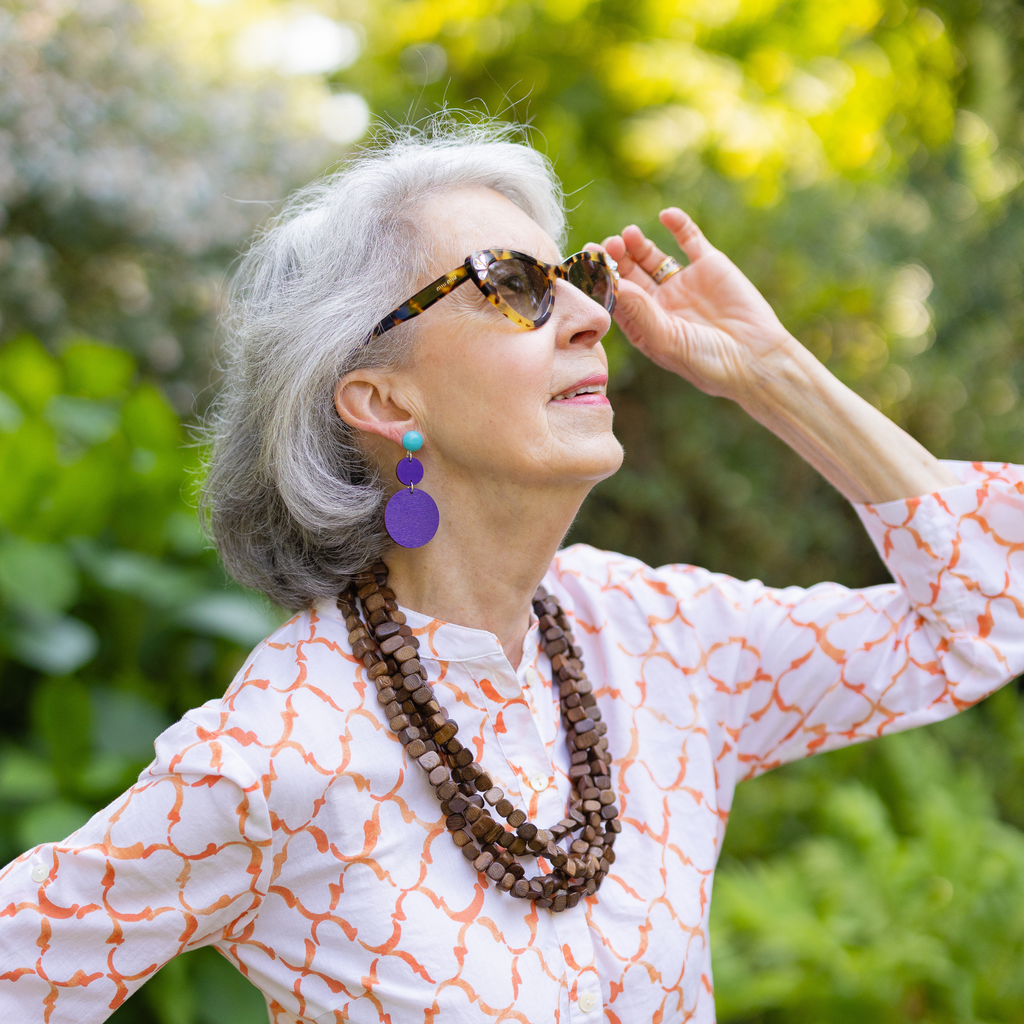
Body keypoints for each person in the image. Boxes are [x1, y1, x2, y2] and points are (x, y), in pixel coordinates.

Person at [2, 122, 1023, 1024]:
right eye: (517, 285)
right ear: (384, 402)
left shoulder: (661, 638)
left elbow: (983, 617)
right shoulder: (279, 752)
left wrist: (774, 372)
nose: (588, 313)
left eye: (577, 274)